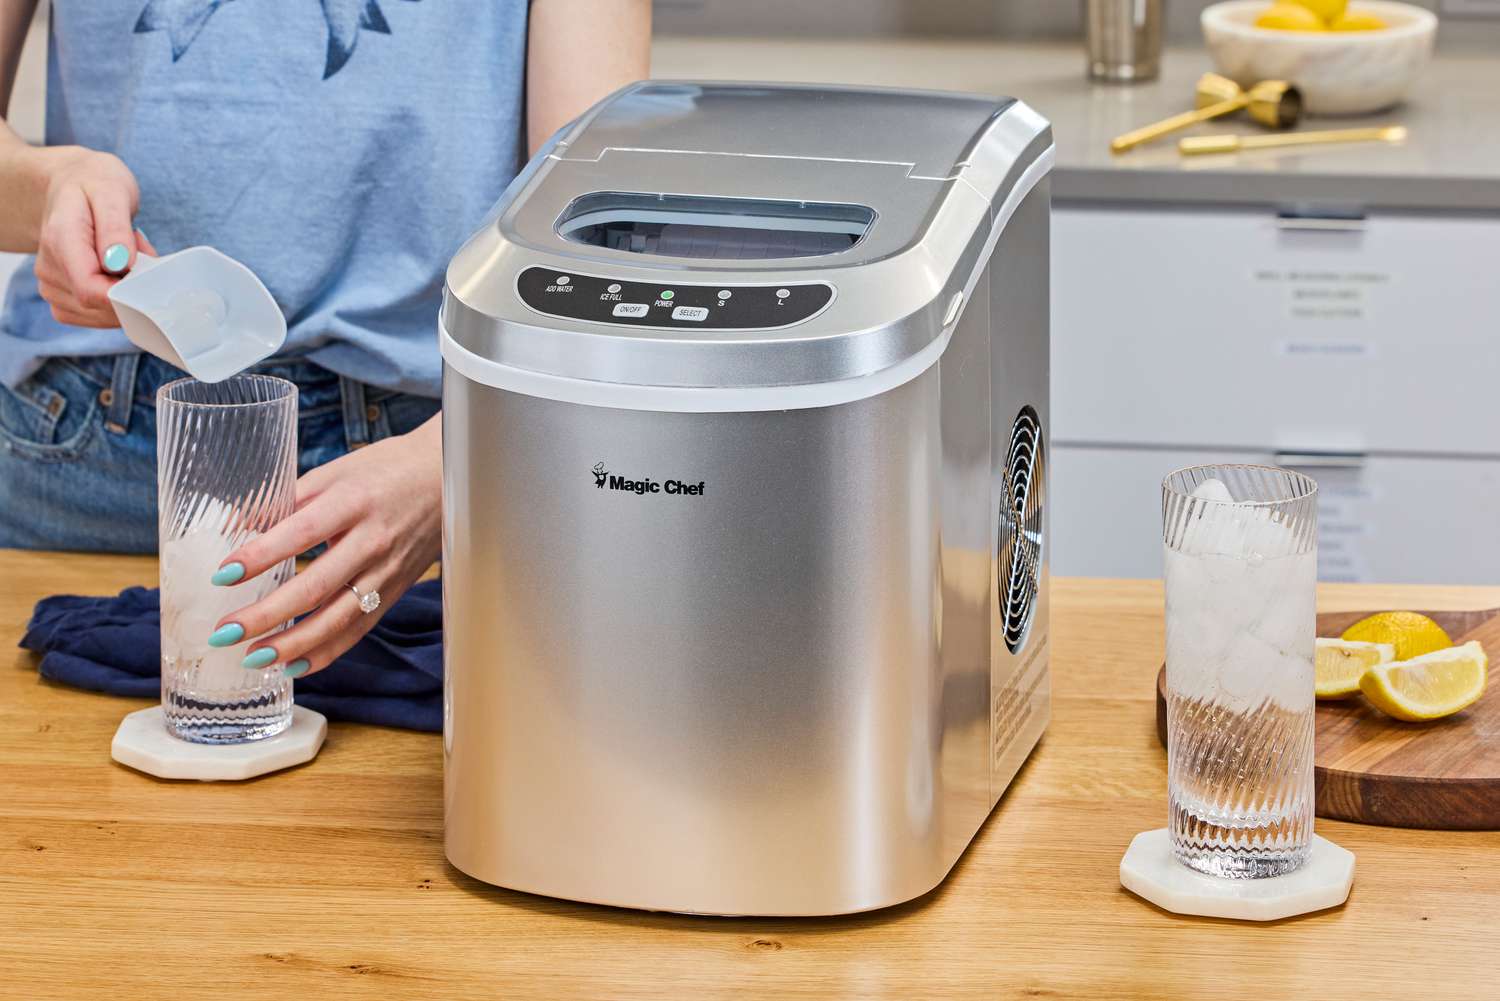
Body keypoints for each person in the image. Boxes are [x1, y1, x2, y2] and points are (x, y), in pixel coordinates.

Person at [0, 0, 651, 675]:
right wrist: (48, 191)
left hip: (425, 468)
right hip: (82, 465)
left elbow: (592, 222)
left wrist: (457, 456)